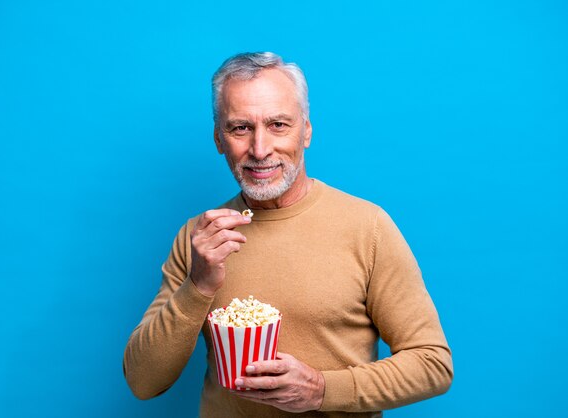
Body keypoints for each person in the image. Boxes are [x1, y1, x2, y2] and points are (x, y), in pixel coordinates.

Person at [123, 52, 453, 417]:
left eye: (278, 125)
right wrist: (198, 285)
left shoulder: (367, 227)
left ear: (306, 131)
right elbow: (143, 381)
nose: (260, 149)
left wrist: (323, 389)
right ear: (219, 138)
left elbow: (432, 364)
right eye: (240, 128)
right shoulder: (200, 238)